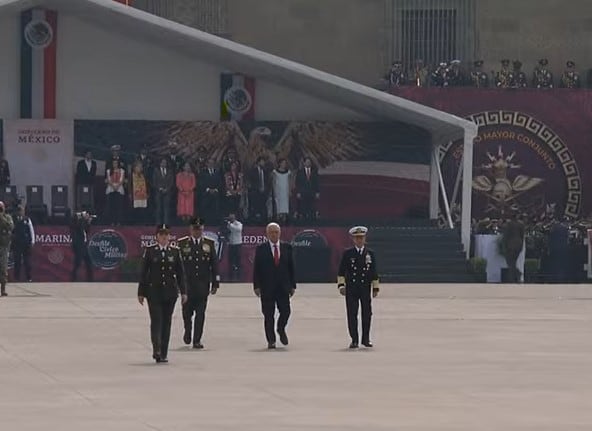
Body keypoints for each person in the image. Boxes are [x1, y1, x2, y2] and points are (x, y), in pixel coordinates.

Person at [138, 224, 187, 363]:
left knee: (167, 323)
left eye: (166, 235)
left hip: (170, 293)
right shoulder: (150, 251)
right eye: (161, 235)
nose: (164, 237)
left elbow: (180, 274)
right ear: (157, 237)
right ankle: (157, 349)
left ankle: (164, 352)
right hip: (154, 292)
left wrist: (184, 292)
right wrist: (141, 292)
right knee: (156, 321)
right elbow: (144, 273)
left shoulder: (175, 252)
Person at [177, 217, 220, 349]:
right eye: (195, 229)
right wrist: (178, 284)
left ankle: (197, 339)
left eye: (200, 229)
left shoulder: (209, 244)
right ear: (190, 229)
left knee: (200, 314)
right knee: (187, 313)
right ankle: (188, 331)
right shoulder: (182, 243)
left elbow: (214, 264)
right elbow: (178, 266)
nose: (197, 232)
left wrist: (215, 282)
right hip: (187, 285)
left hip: (202, 285)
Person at [253, 222, 296, 349]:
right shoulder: (261, 249)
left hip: (283, 287)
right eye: (271, 232)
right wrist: (256, 286)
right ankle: (271, 340)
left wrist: (293, 285)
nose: (274, 234)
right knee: (268, 315)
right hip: (267, 288)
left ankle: (281, 328)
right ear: (267, 234)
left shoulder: (287, 247)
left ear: (280, 233)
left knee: (286, 311)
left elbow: (291, 267)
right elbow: (257, 268)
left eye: (276, 232)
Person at [337, 226, 379, 348]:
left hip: (365, 287)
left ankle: (366, 339)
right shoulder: (348, 253)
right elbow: (341, 271)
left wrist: (375, 287)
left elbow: (374, 271)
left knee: (367, 314)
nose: (359, 240)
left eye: (361, 238)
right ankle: (354, 339)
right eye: (357, 238)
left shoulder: (370, 254)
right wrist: (341, 285)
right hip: (352, 288)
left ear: (365, 238)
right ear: (353, 239)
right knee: (352, 314)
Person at [12, 206, 35, 282]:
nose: (20, 212)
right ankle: (16, 278)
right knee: (17, 261)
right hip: (17, 243)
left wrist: (32, 241)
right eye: (19, 211)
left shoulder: (27, 219)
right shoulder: (13, 219)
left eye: (21, 210)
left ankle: (29, 277)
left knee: (27, 261)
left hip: (26, 243)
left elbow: (31, 231)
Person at [295, 157, 320, 222]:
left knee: (312, 206)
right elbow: (297, 183)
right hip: (303, 192)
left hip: (312, 192)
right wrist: (298, 192)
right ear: (304, 163)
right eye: (307, 162)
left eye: (309, 162)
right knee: (303, 206)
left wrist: (317, 192)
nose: (308, 163)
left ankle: (312, 219)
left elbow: (317, 182)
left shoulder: (314, 171)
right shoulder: (300, 172)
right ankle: (304, 219)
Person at [152, 158, 174, 225]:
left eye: (165, 162)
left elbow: (171, 181)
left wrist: (167, 189)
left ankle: (166, 223)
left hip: (167, 192)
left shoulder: (170, 171)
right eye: (163, 162)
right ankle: (158, 223)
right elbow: (154, 181)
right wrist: (159, 188)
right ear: (160, 163)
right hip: (158, 192)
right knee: (158, 208)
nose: (164, 164)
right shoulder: (156, 170)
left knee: (166, 208)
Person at [105, 159, 126, 226]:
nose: (115, 165)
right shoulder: (108, 171)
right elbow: (108, 180)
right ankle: (112, 221)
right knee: (111, 207)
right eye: (114, 163)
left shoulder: (122, 171)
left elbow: (122, 180)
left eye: (116, 163)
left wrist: (117, 186)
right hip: (111, 189)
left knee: (119, 207)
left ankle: (119, 221)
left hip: (119, 189)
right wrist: (113, 186)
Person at [0, 201, 14, 296]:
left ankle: (3, 289)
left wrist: (1, 217)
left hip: (4, 246)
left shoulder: (7, 217)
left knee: (4, 268)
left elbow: (11, 226)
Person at [271, 159, 291, 224]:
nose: (284, 164)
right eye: (283, 163)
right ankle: (278, 218)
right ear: (279, 164)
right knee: (278, 204)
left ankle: (284, 218)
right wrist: (274, 190)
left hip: (285, 190)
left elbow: (289, 181)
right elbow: (273, 182)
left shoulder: (288, 172)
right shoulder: (275, 172)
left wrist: (289, 190)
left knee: (285, 205)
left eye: (285, 163)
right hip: (278, 190)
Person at [226, 213, 243, 277]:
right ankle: (231, 273)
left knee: (238, 259)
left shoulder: (239, 224)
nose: (231, 219)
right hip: (231, 244)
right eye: (230, 218)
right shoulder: (228, 224)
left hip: (237, 244)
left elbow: (238, 229)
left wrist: (230, 224)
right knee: (231, 259)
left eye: (232, 218)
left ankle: (238, 273)